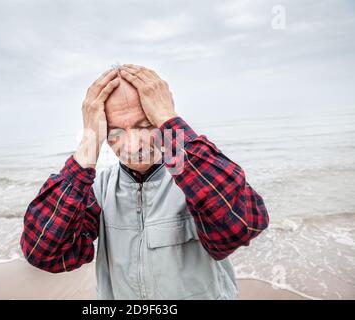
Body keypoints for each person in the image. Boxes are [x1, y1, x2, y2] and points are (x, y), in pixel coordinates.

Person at [20, 64, 269, 299]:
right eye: (115, 132)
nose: (132, 146)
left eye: (145, 125)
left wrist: (169, 121)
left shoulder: (194, 177)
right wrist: (89, 143)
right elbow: (44, 252)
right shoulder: (98, 189)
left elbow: (243, 226)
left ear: (162, 120)